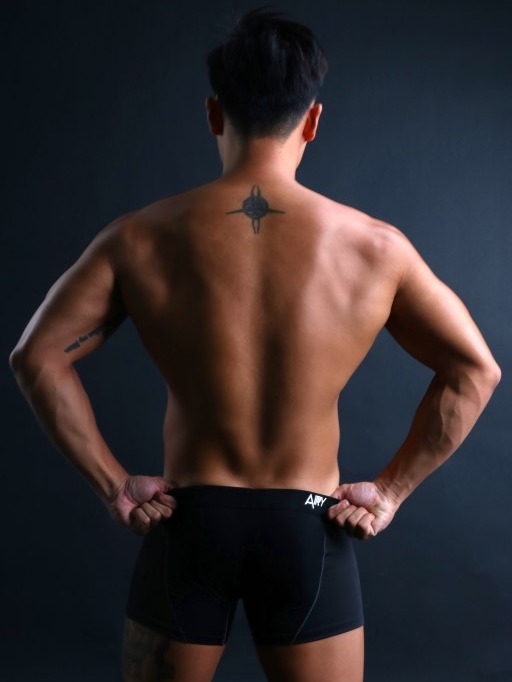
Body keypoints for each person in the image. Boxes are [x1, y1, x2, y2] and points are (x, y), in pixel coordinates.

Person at [9, 8, 500, 682]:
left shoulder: (139, 238)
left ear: (214, 113)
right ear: (313, 120)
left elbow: (35, 357)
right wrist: (389, 492)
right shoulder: (376, 249)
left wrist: (115, 486)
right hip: (310, 531)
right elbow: (475, 370)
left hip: (188, 524)